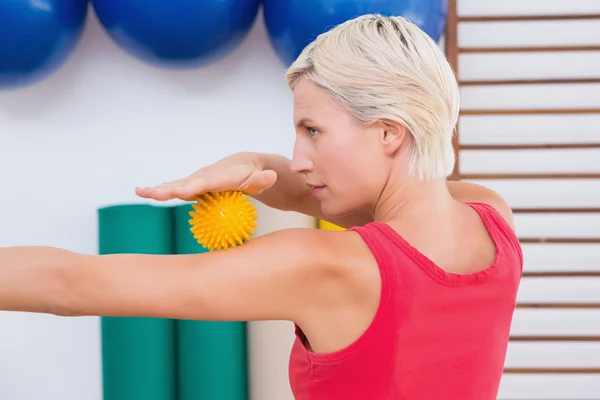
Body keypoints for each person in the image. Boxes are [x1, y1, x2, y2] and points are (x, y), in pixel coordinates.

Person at [0, 14, 522, 400]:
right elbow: (372, 207)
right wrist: (255, 166)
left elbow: (71, 284)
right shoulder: (491, 218)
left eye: (313, 131)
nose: (299, 158)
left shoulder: (329, 267)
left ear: (388, 132)